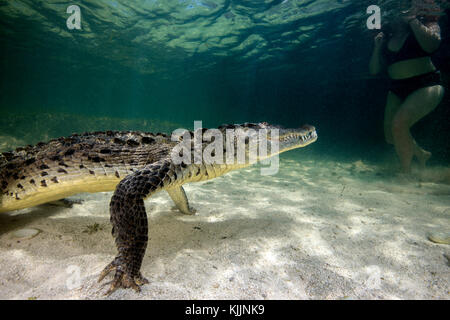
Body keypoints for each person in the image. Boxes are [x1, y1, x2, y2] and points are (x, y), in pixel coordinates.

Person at [369, 0, 445, 174]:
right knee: (391, 135)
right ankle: (420, 153)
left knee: (399, 125)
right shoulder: (385, 38)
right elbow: (374, 70)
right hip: (397, 87)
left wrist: (412, 20)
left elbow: (432, 44)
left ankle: (406, 174)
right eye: (394, 13)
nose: (397, 15)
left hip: (426, 83)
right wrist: (376, 48)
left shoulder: (427, 24)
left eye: (401, 11)